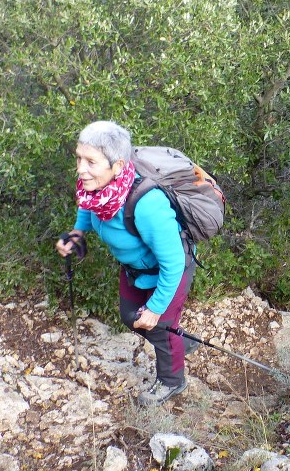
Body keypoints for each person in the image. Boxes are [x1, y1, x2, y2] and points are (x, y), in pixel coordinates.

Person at [56, 121, 197, 406]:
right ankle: (180, 344)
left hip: (171, 270)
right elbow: (88, 207)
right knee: (130, 316)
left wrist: (156, 310)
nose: (81, 169)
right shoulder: (97, 190)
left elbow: (173, 262)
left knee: (159, 327)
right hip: (135, 269)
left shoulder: (147, 206)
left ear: (118, 166)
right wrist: (77, 233)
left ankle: (172, 381)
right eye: (79, 158)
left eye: (91, 162)